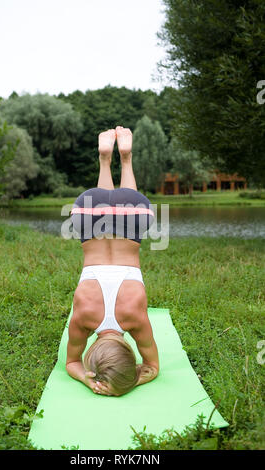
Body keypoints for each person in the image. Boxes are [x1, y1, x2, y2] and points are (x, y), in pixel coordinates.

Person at [66, 126, 159, 396]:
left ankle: (125, 158)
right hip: (87, 208)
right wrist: (86, 378)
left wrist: (133, 379)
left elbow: (152, 366)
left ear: (128, 351)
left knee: (123, 209)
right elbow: (72, 362)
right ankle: (105, 159)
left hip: (132, 212)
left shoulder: (136, 319)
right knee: (105, 205)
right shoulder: (83, 318)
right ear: (91, 352)